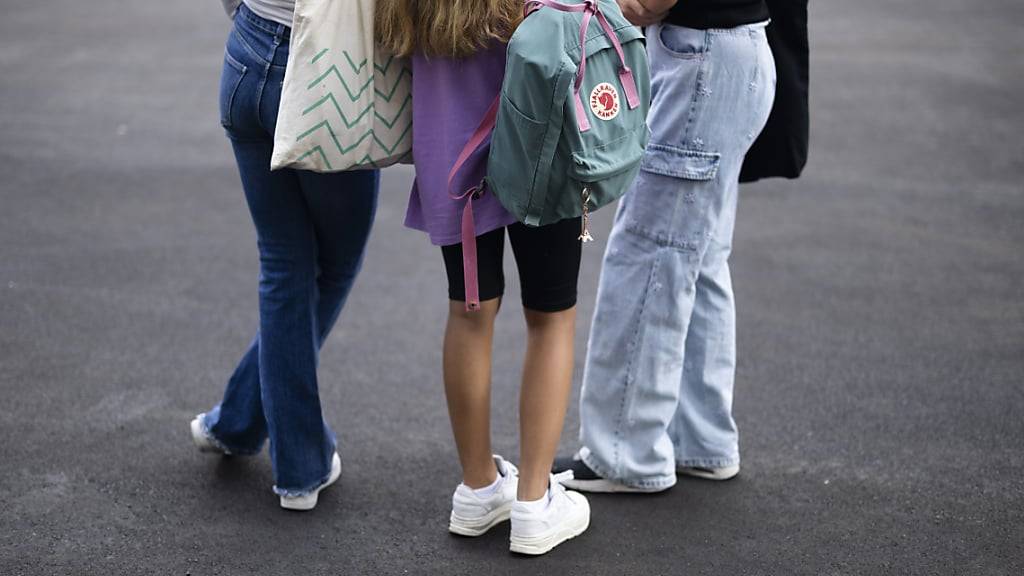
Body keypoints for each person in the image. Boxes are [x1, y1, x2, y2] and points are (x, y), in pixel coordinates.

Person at [376, 0, 590, 555]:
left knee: (469, 310)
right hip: (541, 146)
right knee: (551, 315)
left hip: (451, 153)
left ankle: (477, 490)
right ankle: (534, 502)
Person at [556, 0, 777, 492]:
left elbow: (645, 2)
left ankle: (624, 453)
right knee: (697, 258)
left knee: (649, 255)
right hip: (729, 54)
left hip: (702, 62)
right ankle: (699, 439)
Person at [189, 0, 380, 511]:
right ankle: (299, 466)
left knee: (283, 261)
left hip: (249, 51)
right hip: (331, 66)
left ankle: (237, 421)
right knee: (331, 265)